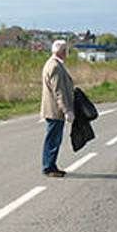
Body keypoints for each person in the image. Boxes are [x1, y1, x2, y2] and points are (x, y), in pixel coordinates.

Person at [40, 39, 75, 177]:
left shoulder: (54, 64)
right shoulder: (55, 66)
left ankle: (51, 165)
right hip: (54, 110)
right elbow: (59, 91)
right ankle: (48, 167)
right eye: (66, 51)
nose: (67, 53)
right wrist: (67, 110)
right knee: (53, 139)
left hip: (54, 109)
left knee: (54, 139)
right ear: (62, 52)